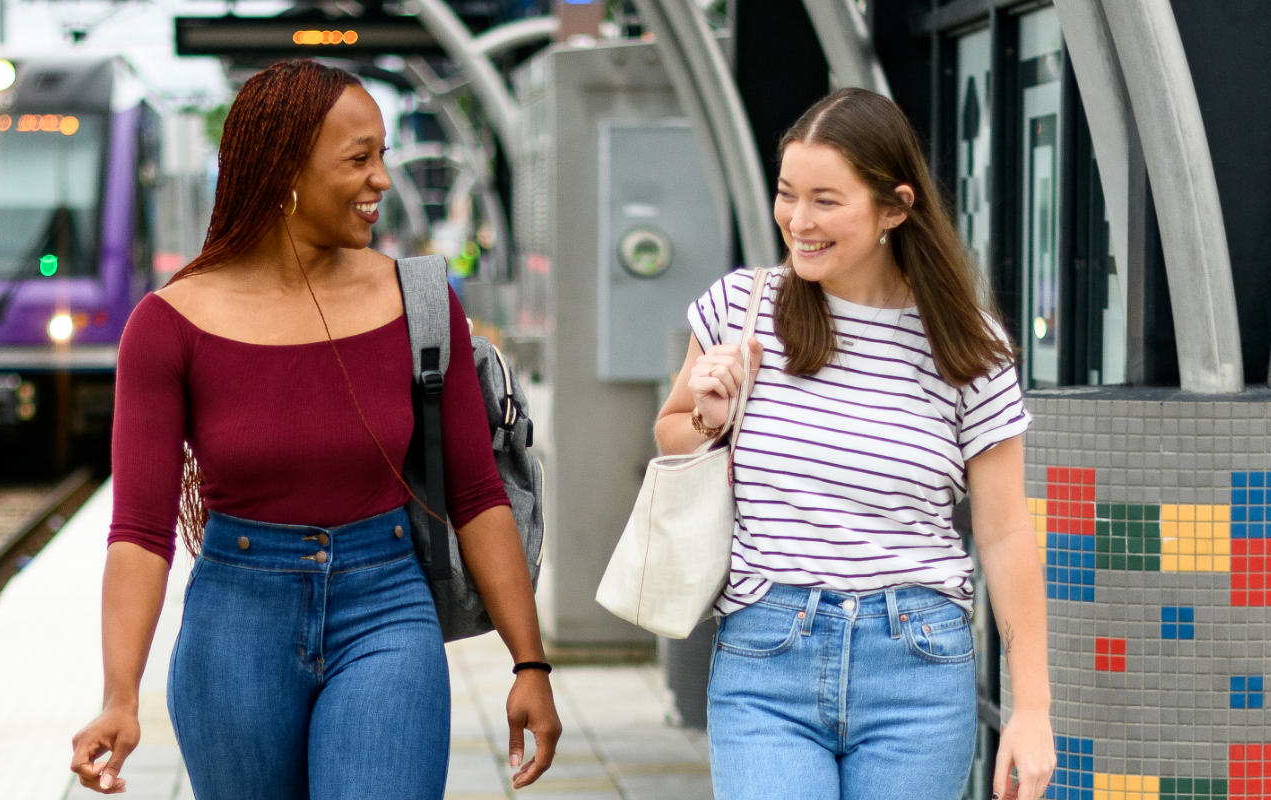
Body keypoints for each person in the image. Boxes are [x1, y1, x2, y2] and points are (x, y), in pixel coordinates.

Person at [66, 60, 563, 799]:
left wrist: (530, 664)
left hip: (388, 605)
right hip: (235, 621)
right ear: (284, 171)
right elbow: (140, 531)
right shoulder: (168, 325)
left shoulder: (423, 302)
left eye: (383, 156)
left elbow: (477, 490)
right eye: (358, 160)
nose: (382, 182)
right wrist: (118, 694)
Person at [655, 88, 1053, 800]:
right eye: (787, 194)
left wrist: (1033, 710)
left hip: (917, 663)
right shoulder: (742, 308)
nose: (798, 222)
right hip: (766, 652)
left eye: (825, 201)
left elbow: (1004, 531)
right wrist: (712, 417)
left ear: (894, 208)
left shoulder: (968, 346)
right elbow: (672, 433)